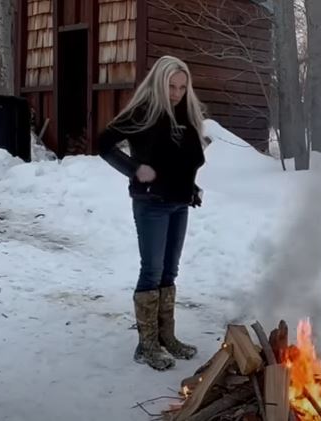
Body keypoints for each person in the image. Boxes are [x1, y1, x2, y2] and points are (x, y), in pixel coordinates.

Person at [96, 56, 207, 371]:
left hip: (178, 203)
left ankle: (165, 337)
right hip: (150, 204)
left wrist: (192, 188)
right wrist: (134, 169)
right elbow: (104, 144)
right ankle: (146, 346)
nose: (176, 93)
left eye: (182, 88)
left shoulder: (185, 115)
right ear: (159, 82)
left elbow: (182, 162)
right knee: (152, 270)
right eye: (171, 86)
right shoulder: (141, 113)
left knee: (170, 271)